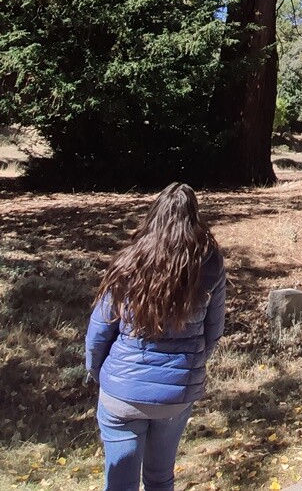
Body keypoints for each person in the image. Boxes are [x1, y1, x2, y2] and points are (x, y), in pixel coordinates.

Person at [85, 182, 226, 491]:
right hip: (176, 395)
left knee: (120, 484)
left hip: (121, 393)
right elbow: (214, 331)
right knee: (160, 479)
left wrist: (98, 373)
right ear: (194, 217)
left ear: (154, 216)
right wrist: (190, 367)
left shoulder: (130, 261)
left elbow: (99, 332)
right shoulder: (210, 264)